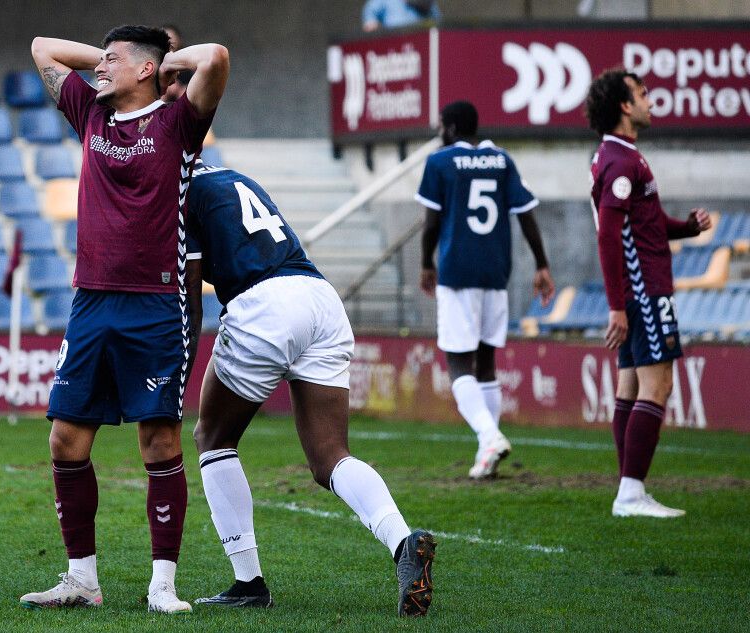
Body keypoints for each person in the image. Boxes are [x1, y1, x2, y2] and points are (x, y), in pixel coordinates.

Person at [18, 25, 227, 613]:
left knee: (158, 441)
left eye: (112, 61)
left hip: (156, 303)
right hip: (91, 300)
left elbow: (213, 57)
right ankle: (81, 579)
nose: (98, 69)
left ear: (146, 71)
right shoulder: (91, 114)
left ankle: (164, 584)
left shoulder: (179, 124)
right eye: (99, 60)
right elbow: (42, 47)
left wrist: (160, 67)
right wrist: (113, 60)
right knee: (64, 438)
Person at [177, 153, 436, 615]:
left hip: (263, 304)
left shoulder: (178, 190)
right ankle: (403, 543)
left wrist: (177, 377)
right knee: (330, 457)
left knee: (212, 437)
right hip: (319, 297)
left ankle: (248, 582)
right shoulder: (235, 175)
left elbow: (192, 304)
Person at [584, 69, 710, 518]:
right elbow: (608, 236)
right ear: (624, 105)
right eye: (642, 93)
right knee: (658, 385)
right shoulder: (622, 162)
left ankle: (628, 490)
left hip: (639, 290)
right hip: (644, 291)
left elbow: (646, 223)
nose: (649, 100)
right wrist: (617, 305)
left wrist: (687, 227)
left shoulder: (615, 157)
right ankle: (631, 493)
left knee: (632, 384)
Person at [416, 100, 555, 480]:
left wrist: (427, 263)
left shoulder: (440, 162)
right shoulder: (502, 160)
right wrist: (542, 264)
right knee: (487, 360)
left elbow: (431, 224)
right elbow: (525, 213)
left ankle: (489, 435)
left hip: (458, 272)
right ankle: (486, 454)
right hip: (496, 273)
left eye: (442, 124)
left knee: (459, 363)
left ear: (451, 126)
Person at [362, 0, 440, 31]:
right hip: (394, 47)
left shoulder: (430, 7)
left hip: (419, 45)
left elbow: (438, 25)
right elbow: (370, 14)